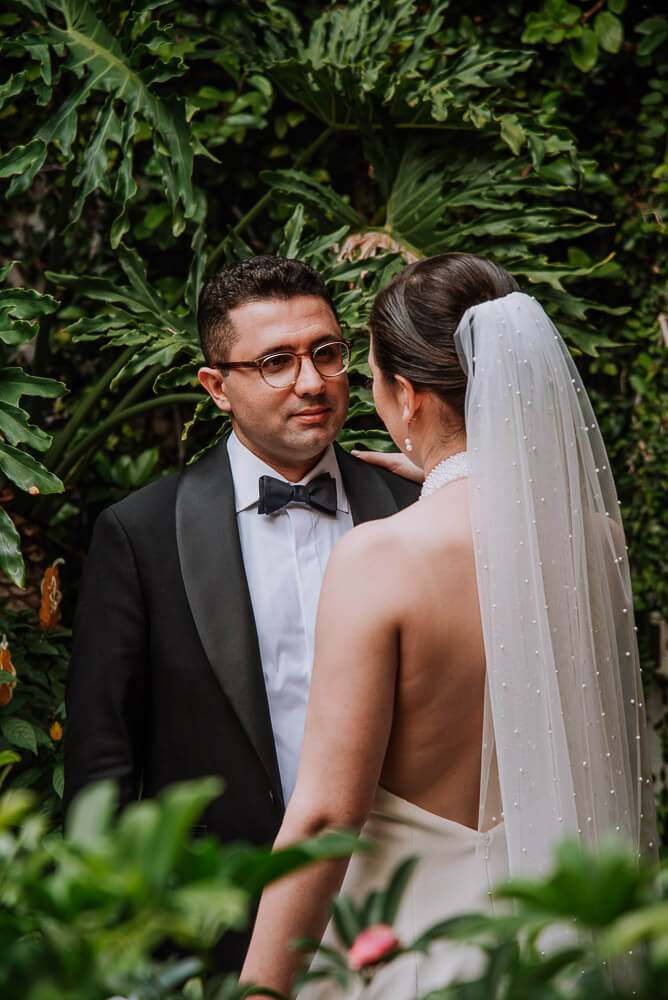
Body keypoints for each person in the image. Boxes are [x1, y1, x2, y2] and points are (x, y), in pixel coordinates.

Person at [240, 253, 657, 998]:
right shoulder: (596, 538)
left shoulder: (379, 558)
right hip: (556, 943)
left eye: (369, 377)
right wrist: (458, 474)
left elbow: (328, 814)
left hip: (413, 952)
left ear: (408, 395)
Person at [63, 255, 419, 971]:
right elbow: (102, 759)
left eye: (326, 352)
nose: (312, 381)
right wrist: (111, 946)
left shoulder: (416, 511)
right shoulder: (140, 533)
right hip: (214, 926)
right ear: (216, 387)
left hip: (403, 906)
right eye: (275, 362)